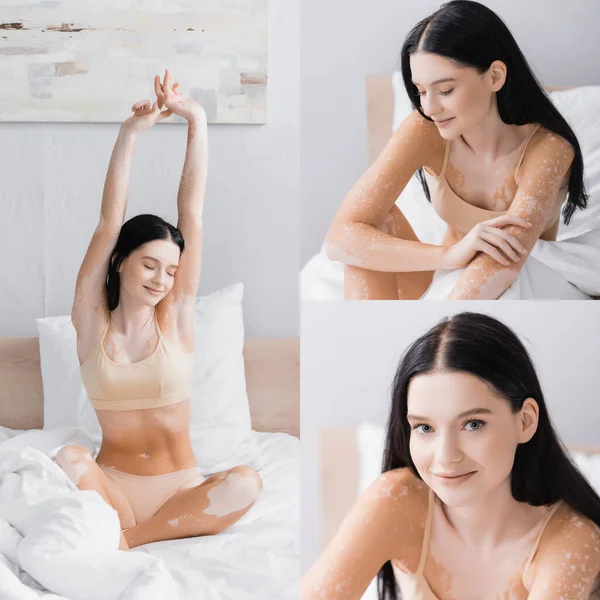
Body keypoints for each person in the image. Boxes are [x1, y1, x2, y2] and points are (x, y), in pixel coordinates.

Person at [54, 70, 262, 551]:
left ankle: (134, 539)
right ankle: (132, 531)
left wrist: (198, 122)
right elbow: (109, 223)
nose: (161, 280)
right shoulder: (90, 323)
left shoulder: (176, 317)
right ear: (123, 261)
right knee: (67, 457)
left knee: (247, 481)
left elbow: (192, 213)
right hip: (112, 488)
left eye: (171, 270)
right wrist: (130, 134)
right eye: (150, 264)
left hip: (183, 491)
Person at [302, 312, 600, 599]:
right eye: (424, 427)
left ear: (525, 422)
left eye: (472, 424)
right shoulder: (398, 501)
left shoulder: (572, 542)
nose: (445, 457)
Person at [325, 0, 594, 300]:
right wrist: (448, 256)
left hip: (513, 281)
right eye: (421, 91)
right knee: (371, 233)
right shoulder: (425, 128)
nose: (429, 107)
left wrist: (435, 334)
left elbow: (503, 261)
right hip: (447, 272)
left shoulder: (549, 149)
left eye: (445, 90)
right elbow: (339, 239)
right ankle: (374, 345)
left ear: (495, 76)